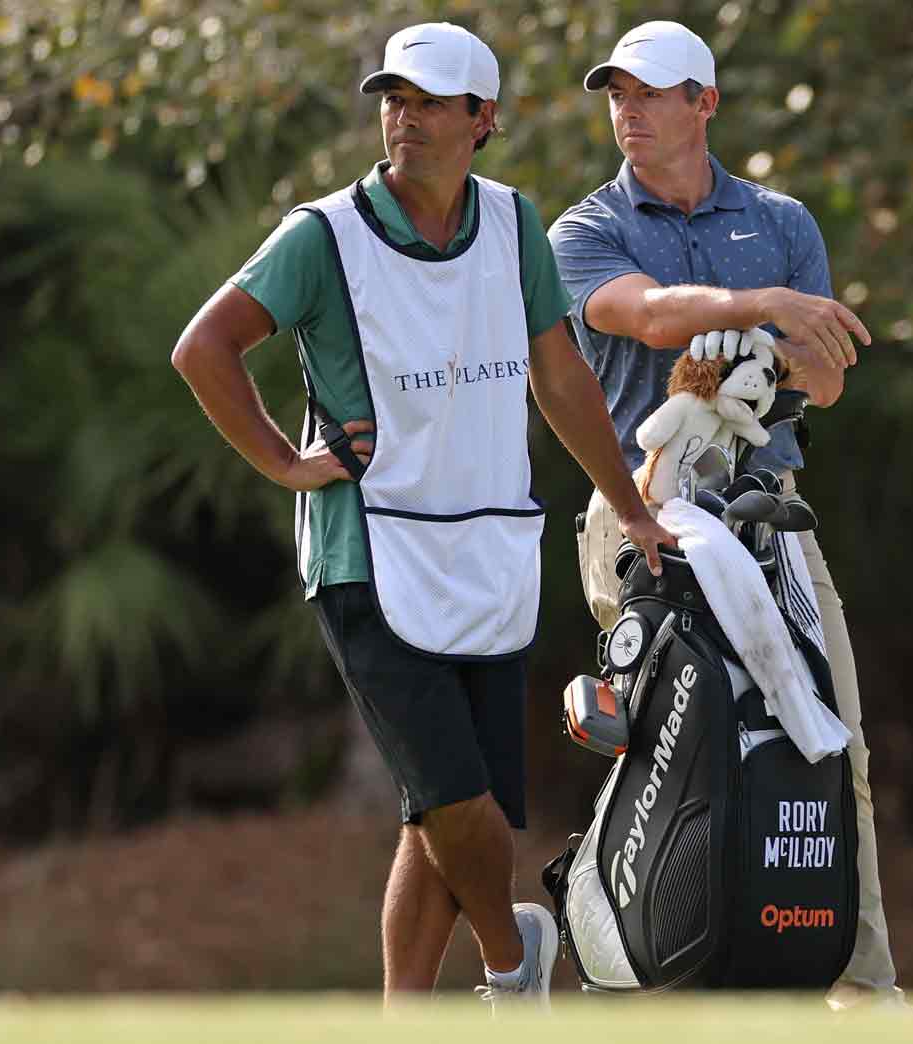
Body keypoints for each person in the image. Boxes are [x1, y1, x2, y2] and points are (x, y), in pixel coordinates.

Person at [169, 22, 674, 1010]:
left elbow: (560, 378)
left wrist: (631, 506)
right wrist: (283, 462)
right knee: (453, 797)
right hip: (367, 555)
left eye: (429, 100)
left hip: (488, 547)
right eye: (392, 98)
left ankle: (406, 1018)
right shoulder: (324, 236)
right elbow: (204, 349)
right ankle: (510, 961)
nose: (402, 116)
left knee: (429, 817)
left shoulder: (514, 223)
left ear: (482, 120)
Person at [548, 20, 913, 1012]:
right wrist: (759, 312)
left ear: (702, 102)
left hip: (770, 516)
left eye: (649, 92)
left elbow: (827, 377)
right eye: (615, 94)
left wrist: (766, 359)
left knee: (835, 738)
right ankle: (633, 948)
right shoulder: (585, 229)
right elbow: (643, 316)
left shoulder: (782, 219)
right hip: (641, 511)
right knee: (673, 728)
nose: (627, 112)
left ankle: (861, 981)